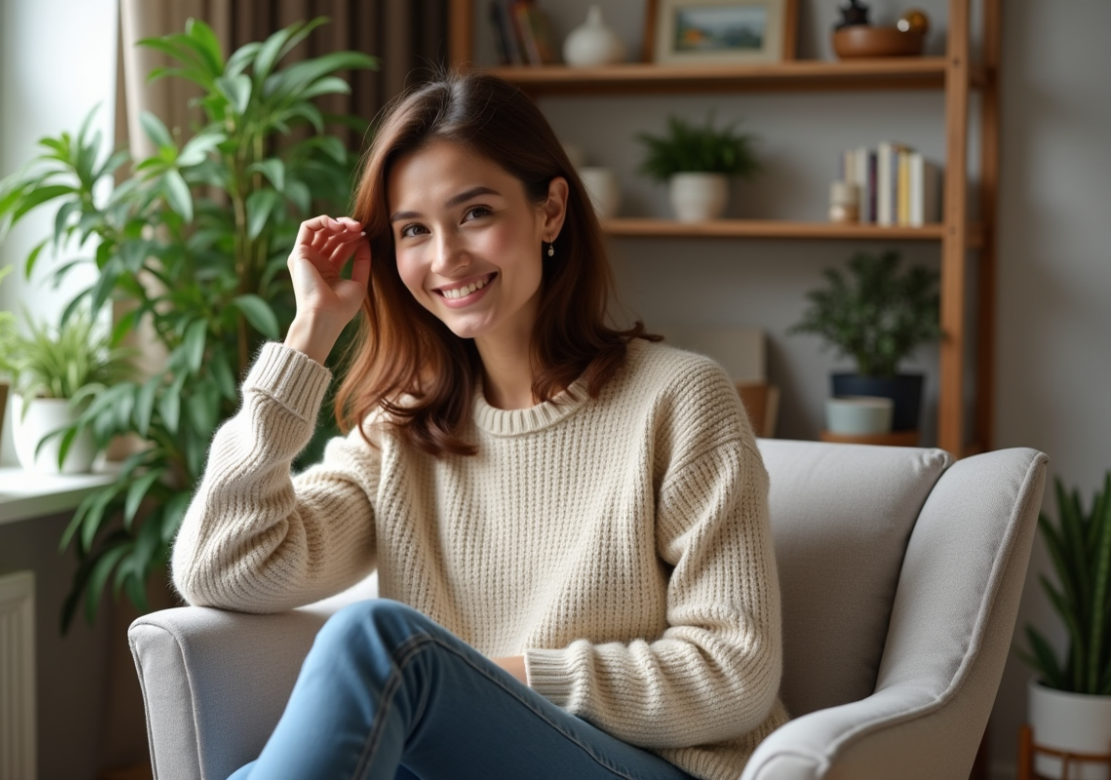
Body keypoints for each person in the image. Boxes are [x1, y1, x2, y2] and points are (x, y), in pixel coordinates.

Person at [171, 70, 789, 780]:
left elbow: (735, 672)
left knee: (378, 643)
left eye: (474, 214)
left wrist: (492, 678)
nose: (445, 258)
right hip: (469, 762)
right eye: (412, 231)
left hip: (650, 767)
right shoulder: (402, 428)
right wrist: (310, 332)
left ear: (550, 211)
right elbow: (222, 568)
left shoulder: (679, 399)